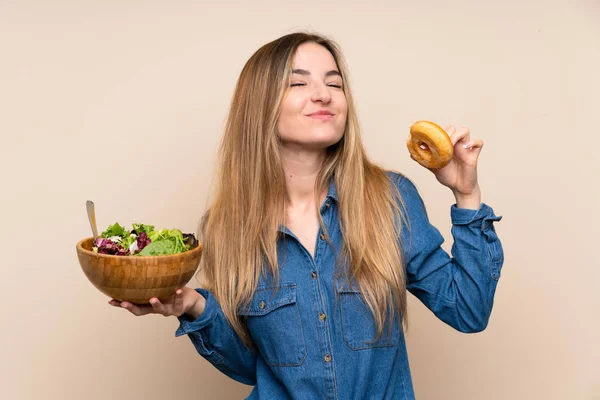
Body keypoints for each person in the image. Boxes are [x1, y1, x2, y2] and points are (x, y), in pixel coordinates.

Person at [109, 31, 504, 399]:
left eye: (334, 84)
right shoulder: (228, 226)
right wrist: (193, 306)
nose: (323, 95)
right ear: (260, 106)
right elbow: (252, 366)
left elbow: (467, 310)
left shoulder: (389, 199)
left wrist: (465, 193)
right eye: (299, 83)